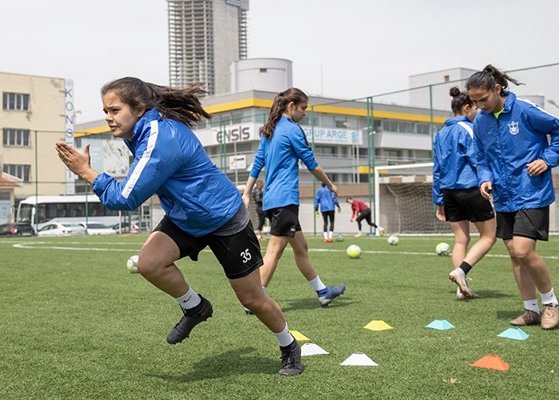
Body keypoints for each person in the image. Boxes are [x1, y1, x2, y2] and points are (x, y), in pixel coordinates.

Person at [55, 77, 302, 376]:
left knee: (252, 299)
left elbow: (125, 198)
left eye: (114, 110)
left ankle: (288, 345)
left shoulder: (161, 139)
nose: (108, 117)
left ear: (139, 108)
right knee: (149, 263)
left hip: (224, 217)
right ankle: (195, 306)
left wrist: (85, 171)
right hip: (186, 217)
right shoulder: (139, 130)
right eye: (105, 110)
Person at [467, 65, 559, 330]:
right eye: (474, 101)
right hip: (503, 196)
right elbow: (481, 157)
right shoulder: (481, 121)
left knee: (524, 250)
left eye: (483, 99)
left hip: (531, 192)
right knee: (515, 254)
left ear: (497, 89)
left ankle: (550, 303)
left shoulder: (524, 110)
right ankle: (530, 310)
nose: (479, 106)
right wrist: (485, 178)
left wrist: (547, 160)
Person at [242, 87, 346, 309]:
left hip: (273, 199)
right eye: (303, 108)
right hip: (285, 199)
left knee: (301, 248)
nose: (305, 113)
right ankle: (254, 301)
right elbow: (312, 163)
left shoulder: (269, 131)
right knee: (274, 251)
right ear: (291, 106)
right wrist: (330, 185)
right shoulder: (292, 130)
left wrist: (247, 192)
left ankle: (322, 292)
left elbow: (257, 163)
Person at [432, 87, 497, 300]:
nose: (478, 110)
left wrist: (439, 200)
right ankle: (462, 271)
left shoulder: (440, 134)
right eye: (475, 106)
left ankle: (461, 288)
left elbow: (437, 168)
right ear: (466, 107)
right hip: (470, 189)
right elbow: (477, 158)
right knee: (489, 236)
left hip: (450, 192)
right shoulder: (468, 129)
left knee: (461, 240)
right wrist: (490, 181)